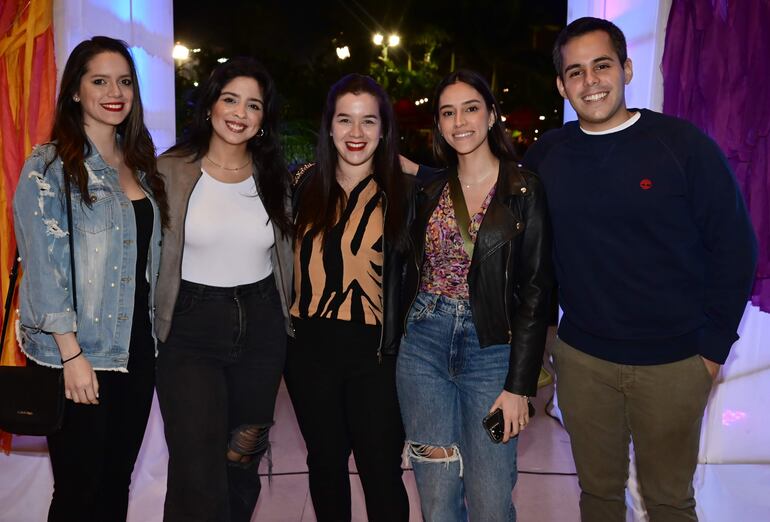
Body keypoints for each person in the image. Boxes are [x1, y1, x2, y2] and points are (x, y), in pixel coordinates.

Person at [521, 17, 758, 522]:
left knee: (670, 503)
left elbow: (735, 249)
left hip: (674, 366)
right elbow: (491, 199)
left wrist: (711, 352)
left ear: (626, 68)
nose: (591, 82)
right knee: (599, 498)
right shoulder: (548, 155)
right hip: (584, 362)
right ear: (562, 85)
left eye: (602, 65)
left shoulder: (682, 146)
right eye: (576, 72)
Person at [12, 36, 166, 521]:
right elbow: (43, 267)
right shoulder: (50, 165)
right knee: (79, 490)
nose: (114, 91)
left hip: (137, 350)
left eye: (123, 81)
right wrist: (72, 356)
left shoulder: (142, 164)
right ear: (76, 90)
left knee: (115, 483)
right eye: (99, 80)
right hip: (77, 353)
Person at [397, 69, 553, 521]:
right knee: (437, 497)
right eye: (448, 112)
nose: (459, 121)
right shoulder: (427, 191)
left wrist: (520, 386)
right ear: (439, 125)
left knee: (489, 498)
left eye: (470, 108)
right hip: (423, 345)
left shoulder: (525, 188)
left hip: (493, 348)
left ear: (490, 116)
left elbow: (537, 290)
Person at [153, 57, 293, 522]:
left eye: (253, 105)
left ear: (263, 119)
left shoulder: (275, 177)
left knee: (242, 457)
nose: (239, 112)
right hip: (190, 327)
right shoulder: (169, 170)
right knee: (197, 463)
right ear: (211, 103)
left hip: (262, 324)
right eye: (230, 98)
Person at [283, 73, 410, 522]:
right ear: (329, 126)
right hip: (308, 351)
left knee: (380, 470)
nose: (356, 133)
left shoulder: (406, 193)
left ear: (384, 129)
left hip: (375, 355)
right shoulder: (302, 186)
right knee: (325, 465)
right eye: (345, 120)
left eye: (368, 121)